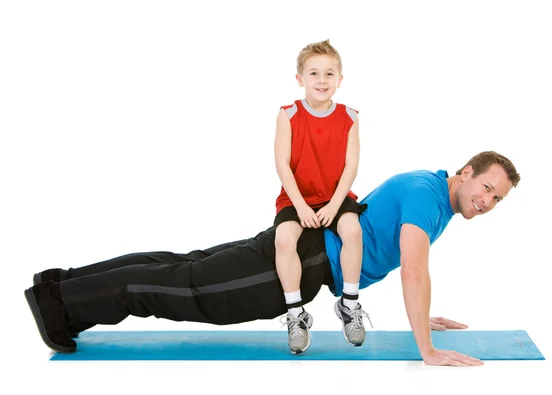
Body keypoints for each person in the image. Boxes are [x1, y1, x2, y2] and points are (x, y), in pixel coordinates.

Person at [25, 150, 520, 367]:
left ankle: (59, 287)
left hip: (304, 249)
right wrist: (426, 349)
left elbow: (387, 256)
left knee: (183, 268)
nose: (488, 201)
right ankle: (60, 304)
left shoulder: (433, 192)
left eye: (497, 199)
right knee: (190, 289)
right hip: (305, 263)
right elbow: (413, 269)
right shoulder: (429, 199)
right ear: (467, 170)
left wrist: (422, 319)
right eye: (487, 188)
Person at [273, 39, 366, 354]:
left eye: (329, 74)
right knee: (284, 240)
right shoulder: (288, 114)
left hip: (336, 196)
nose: (322, 81)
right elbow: (282, 165)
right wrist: (300, 206)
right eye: (314, 74)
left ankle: (350, 305)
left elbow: (351, 166)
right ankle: (295, 314)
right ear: (300, 79)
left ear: (340, 80)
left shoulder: (350, 117)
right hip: (297, 198)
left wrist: (335, 205)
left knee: (353, 231)